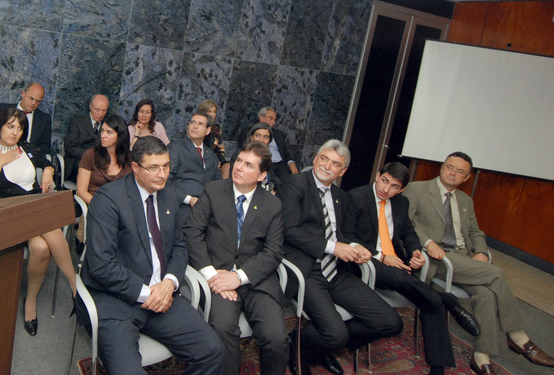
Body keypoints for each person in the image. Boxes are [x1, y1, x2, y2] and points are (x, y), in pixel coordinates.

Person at [78, 136, 224, 374]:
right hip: (117, 300)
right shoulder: (108, 200)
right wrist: (148, 293)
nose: (162, 174)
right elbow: (101, 264)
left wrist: (169, 283)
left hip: (163, 294)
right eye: (154, 168)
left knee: (213, 351)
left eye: (166, 166)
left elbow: (180, 245)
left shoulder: (169, 194)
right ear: (135, 167)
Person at [405, 152, 554, 375]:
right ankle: (518, 337)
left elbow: (475, 232)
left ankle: (481, 357)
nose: (452, 173)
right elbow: (406, 223)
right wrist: (428, 242)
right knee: (496, 274)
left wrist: (482, 251)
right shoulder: (417, 189)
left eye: (459, 171)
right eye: (449, 167)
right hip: (438, 257)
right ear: (442, 167)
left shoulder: (465, 200)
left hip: (463, 258)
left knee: (486, 294)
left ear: (466, 178)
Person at [278, 139, 401, 375]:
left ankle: (314, 346)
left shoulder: (340, 196)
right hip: (308, 271)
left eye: (335, 164)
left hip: (338, 270)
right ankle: (307, 346)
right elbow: (289, 230)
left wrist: (355, 247)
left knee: (390, 322)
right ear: (315, 158)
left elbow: (342, 234)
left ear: (342, 171)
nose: (326, 166)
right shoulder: (294, 183)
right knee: (335, 334)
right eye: (324, 159)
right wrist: (333, 247)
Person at [346, 162, 481, 375]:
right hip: (365, 260)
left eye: (394, 186)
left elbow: (409, 233)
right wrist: (382, 256)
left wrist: (416, 251)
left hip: (397, 262)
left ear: (401, 190)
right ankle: (445, 299)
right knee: (410, 283)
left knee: (428, 300)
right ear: (378, 175)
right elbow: (348, 236)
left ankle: (438, 367)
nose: (386, 189)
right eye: (384, 181)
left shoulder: (401, 203)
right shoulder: (356, 197)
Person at [183, 141, 290, 375]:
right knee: (222, 330)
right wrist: (212, 275)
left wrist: (239, 277)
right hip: (219, 276)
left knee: (276, 338)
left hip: (256, 280)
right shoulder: (213, 190)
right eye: (239, 160)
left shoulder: (272, 204)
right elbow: (192, 232)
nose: (239, 167)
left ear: (262, 175)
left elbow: (273, 251)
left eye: (248, 165)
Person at [0, 107, 75, 337]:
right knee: (47, 230)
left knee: (41, 248)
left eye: (19, 128)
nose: (15, 132)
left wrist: (48, 169)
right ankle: (75, 288)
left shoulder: (28, 150)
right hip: (5, 215)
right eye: (10, 126)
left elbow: (47, 160)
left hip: (31, 211)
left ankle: (31, 300)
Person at [167, 112, 223, 224]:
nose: (195, 126)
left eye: (200, 124)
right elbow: (166, 181)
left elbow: (218, 182)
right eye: (192, 122)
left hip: (207, 207)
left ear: (208, 130)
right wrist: (189, 199)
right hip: (182, 205)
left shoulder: (210, 154)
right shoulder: (176, 148)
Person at [0, 82, 52, 155]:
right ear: (23, 94)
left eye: (38, 101)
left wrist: (35, 154)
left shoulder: (44, 119)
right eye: (31, 98)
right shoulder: (0, 110)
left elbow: (45, 145)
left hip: (27, 160)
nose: (33, 103)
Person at [77, 114, 133, 205]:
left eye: (109, 132)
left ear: (120, 136)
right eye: (102, 131)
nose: (103, 135)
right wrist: (101, 207)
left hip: (121, 207)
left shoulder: (130, 158)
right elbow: (81, 191)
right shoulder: (90, 155)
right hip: (95, 204)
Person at [239, 107, 299, 182]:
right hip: (261, 164)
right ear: (261, 118)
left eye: (274, 120)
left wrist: (291, 163)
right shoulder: (248, 132)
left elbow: (286, 152)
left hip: (280, 166)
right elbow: (244, 150)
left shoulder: (278, 134)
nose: (273, 122)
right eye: (270, 118)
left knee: (289, 182)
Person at [64, 94, 109, 183]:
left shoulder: (108, 123)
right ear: (90, 106)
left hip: (100, 164)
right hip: (79, 161)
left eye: (104, 111)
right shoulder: (77, 122)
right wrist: (91, 156)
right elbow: (70, 148)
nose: (100, 114)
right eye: (97, 110)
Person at [229, 123, 282, 192]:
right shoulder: (240, 155)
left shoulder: (266, 157)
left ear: (269, 141)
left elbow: (273, 179)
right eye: (258, 135)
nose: (261, 140)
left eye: (265, 137)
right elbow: (235, 180)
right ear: (251, 137)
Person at [197, 99, 229, 178]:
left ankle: (223, 186)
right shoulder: (195, 127)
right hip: (200, 159)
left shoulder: (217, 128)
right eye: (209, 111)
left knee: (228, 167)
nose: (212, 114)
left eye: (214, 112)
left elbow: (220, 148)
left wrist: (222, 161)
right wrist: (212, 161)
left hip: (214, 159)